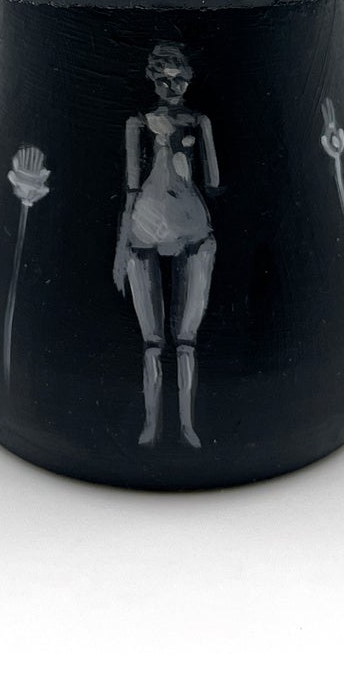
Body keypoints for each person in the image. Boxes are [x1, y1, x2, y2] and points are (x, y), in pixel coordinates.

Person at [113, 43, 219, 447]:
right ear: (152, 80)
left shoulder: (199, 122)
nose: (171, 86)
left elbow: (212, 177)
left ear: (188, 80)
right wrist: (121, 246)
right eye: (163, 79)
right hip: (148, 227)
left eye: (178, 79)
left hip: (191, 230)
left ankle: (186, 426)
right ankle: (153, 426)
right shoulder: (138, 124)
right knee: (153, 341)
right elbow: (130, 186)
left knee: (185, 339)